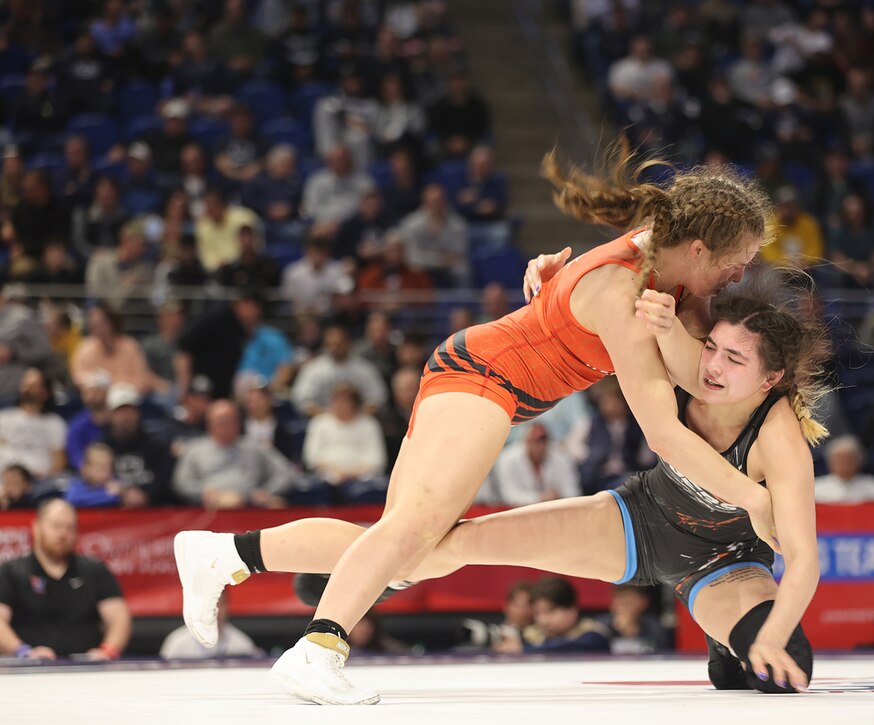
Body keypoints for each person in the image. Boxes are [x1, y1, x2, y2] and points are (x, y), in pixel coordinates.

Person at [176, 141, 787, 704]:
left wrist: (555, 282)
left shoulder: (664, 254)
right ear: (701, 248)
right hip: (484, 376)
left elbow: (693, 363)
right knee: (415, 531)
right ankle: (317, 650)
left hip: (490, 375)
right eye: (738, 261)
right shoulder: (624, 297)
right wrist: (751, 498)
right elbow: (661, 431)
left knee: (411, 549)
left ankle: (223, 554)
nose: (740, 275)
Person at [0, 499, 131, 660]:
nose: (63, 534)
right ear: (37, 527)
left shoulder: (94, 569)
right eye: (56, 526)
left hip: (88, 669)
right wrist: (22, 651)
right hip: (30, 669)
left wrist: (108, 650)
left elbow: (118, 617)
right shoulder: (11, 571)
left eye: (69, 528)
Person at [494, 577, 611, 654]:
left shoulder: (593, 634)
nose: (543, 620)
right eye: (537, 613)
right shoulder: (533, 636)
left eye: (550, 611)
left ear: (572, 609)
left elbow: (570, 648)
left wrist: (524, 650)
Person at [160, 590, 261, 660]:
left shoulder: (242, 644)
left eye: (220, 604)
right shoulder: (177, 642)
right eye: (210, 605)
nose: (215, 610)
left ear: (227, 607)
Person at [813, 436, 874, 503]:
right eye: (839, 461)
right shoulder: (816, 489)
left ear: (858, 461)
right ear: (830, 462)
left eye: (848, 461)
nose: (844, 465)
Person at [599, 584, 670, 654]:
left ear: (643, 602)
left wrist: (631, 629)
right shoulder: (600, 626)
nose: (623, 605)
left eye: (628, 600)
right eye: (619, 598)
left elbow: (661, 656)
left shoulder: (655, 628)